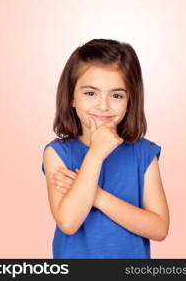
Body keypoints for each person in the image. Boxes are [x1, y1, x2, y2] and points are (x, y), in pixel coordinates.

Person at [41, 38, 170, 259]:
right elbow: (69, 222)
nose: (103, 105)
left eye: (117, 95)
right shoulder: (57, 153)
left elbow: (159, 228)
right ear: (72, 96)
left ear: (130, 100)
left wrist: (98, 197)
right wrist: (96, 153)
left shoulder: (144, 153)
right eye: (90, 93)